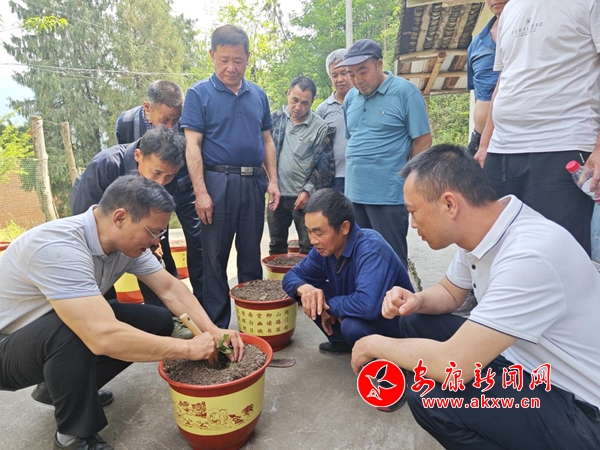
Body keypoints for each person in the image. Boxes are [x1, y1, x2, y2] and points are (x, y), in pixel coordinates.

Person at [351, 145, 600, 448]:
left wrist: (372, 344)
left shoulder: (529, 255)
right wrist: (416, 300)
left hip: (581, 409)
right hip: (525, 362)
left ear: (449, 204)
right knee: (415, 320)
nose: (413, 224)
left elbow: (454, 364)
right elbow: (449, 291)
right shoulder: (486, 230)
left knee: (430, 398)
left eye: (413, 212)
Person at [0, 175, 243, 450]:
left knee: (157, 320)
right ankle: (73, 437)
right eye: (153, 232)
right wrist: (188, 349)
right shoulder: (59, 248)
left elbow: (169, 289)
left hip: (42, 333)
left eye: (161, 234)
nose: (156, 242)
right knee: (75, 330)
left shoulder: (125, 245)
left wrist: (213, 331)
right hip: (7, 347)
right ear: (120, 218)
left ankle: (58, 388)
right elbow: (101, 337)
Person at [474, 0, 600, 255]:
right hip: (502, 152)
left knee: (558, 255)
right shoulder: (511, 9)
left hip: (562, 146)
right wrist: (485, 144)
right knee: (495, 248)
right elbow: (504, 80)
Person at [180, 25, 280, 328]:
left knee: (250, 255)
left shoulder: (258, 95)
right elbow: (193, 146)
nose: (231, 68)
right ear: (212, 55)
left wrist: (273, 180)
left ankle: (254, 326)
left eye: (238, 60)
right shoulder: (198, 94)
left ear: (247, 57)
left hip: (253, 183)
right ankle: (217, 330)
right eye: (224, 60)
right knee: (214, 258)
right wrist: (201, 192)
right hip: (217, 183)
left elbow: (267, 141)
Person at [71, 125, 193, 339]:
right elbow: (87, 221)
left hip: (142, 224)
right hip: (100, 234)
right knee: (100, 275)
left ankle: (167, 322)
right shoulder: (105, 165)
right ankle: (106, 326)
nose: (161, 183)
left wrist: (154, 238)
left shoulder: (165, 173)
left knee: (159, 265)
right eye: (156, 173)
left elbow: (160, 213)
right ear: (138, 155)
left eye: (169, 177)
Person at [283, 188, 413, 362]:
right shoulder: (324, 249)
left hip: (395, 324)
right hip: (363, 308)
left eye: (319, 233)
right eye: (309, 231)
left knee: (352, 326)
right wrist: (305, 289)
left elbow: (367, 306)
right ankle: (343, 342)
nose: (313, 240)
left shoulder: (370, 248)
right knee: (309, 294)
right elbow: (291, 276)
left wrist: (329, 306)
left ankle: (389, 361)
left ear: (344, 227)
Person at [336, 39, 432, 268]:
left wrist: (411, 181)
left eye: (363, 72)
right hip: (354, 194)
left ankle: (398, 293)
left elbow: (423, 141)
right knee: (360, 259)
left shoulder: (405, 92)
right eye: (352, 74)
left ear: (379, 64)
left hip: (388, 195)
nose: (357, 80)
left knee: (391, 260)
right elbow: (354, 138)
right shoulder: (351, 98)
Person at [268, 76, 332, 255]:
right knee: (276, 245)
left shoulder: (320, 127)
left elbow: (326, 166)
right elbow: (263, 153)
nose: (298, 107)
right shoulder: (274, 120)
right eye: (294, 100)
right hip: (277, 195)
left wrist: (308, 191)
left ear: (312, 102)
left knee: (309, 246)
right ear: (288, 93)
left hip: (304, 198)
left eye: (304, 103)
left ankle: (309, 274)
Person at [465, 0, 508, 156]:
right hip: (480, 141)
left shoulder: (529, 36)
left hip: (518, 137)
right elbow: (478, 94)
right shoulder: (476, 44)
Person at [316, 49, 352, 193]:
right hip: (334, 178)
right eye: (334, 75)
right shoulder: (323, 109)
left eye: (344, 73)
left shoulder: (363, 102)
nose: (340, 79)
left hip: (361, 174)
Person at [115, 80, 183, 145]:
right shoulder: (125, 123)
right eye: (164, 121)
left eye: (175, 120)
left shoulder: (184, 124)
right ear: (147, 107)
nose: (170, 128)